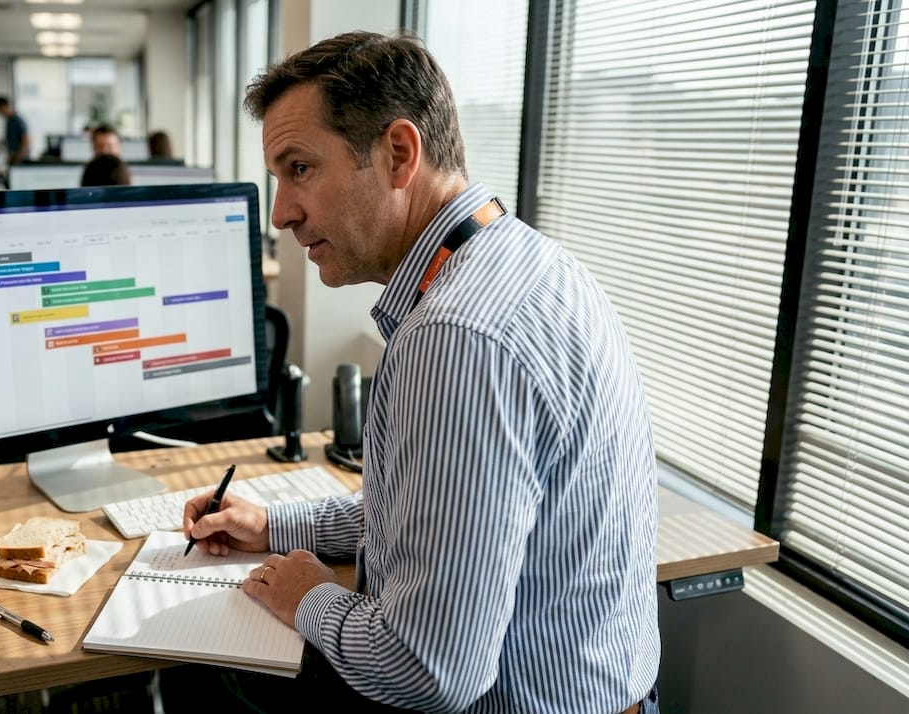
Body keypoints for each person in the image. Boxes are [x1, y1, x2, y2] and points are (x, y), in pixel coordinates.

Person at [178, 30, 661, 713]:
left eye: (300, 169)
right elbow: (436, 521)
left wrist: (307, 595)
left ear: (399, 154)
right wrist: (275, 527)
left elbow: (426, 669)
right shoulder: (529, 263)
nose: (283, 211)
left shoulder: (456, 338)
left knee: (204, 681)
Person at [0, 95, 30, 165]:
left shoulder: (17, 121)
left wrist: (17, 158)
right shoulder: (9, 122)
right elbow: (7, 140)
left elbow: (26, 142)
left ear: (4, 106)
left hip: (20, 161)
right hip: (13, 159)